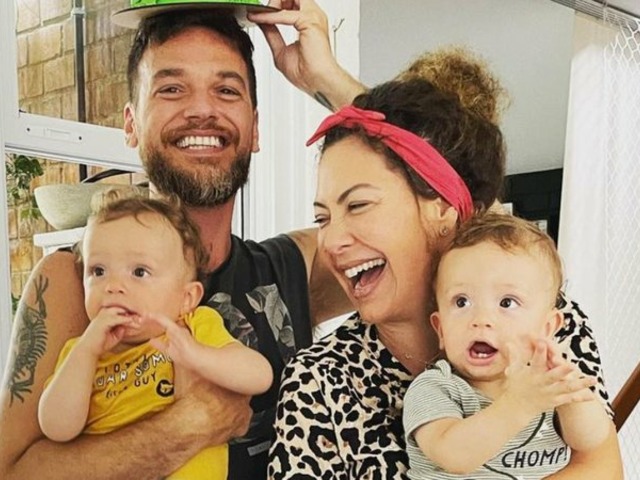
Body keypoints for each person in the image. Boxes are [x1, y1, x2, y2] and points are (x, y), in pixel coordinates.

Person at [0, 1, 361, 479]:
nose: (202, 110)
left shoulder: (298, 264)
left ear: (255, 128)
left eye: (226, 90)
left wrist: (329, 81)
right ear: (131, 124)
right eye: (171, 88)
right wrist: (189, 426)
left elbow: (442, 214)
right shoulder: (76, 279)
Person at [268, 49, 621, 479]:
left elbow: (602, 464)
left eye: (358, 205)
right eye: (322, 218)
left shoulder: (540, 321)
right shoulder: (320, 381)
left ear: (443, 210)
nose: (332, 241)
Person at [38, 191, 273, 480]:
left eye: (139, 272)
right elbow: (56, 428)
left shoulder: (194, 327)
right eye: (98, 271)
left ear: (187, 298)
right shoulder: (79, 352)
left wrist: (198, 355)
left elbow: (260, 376)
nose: (113, 285)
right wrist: (86, 351)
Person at [403, 213, 611, 479]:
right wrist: (520, 403)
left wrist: (571, 394)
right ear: (440, 329)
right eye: (461, 302)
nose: (481, 320)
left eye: (507, 303)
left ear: (547, 329)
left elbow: (589, 440)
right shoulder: (436, 388)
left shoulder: (545, 387)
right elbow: (453, 456)